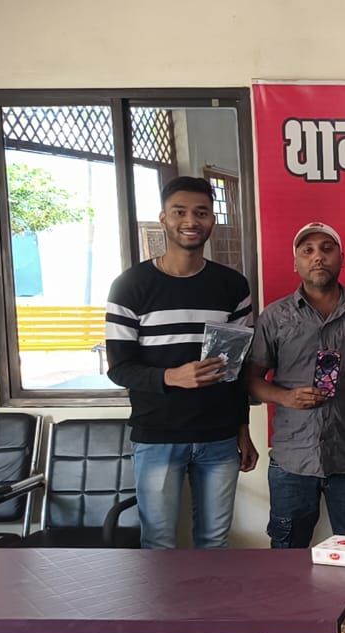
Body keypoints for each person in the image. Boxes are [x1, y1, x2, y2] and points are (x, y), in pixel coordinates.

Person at [105, 176, 257, 549]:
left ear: (212, 220)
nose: (191, 221)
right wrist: (172, 376)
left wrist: (242, 429)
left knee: (214, 542)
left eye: (201, 212)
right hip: (157, 436)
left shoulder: (232, 286)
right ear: (164, 218)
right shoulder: (130, 286)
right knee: (158, 543)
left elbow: (235, 371)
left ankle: (209, 596)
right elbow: (119, 368)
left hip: (219, 437)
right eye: (180, 212)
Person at [246, 222, 345, 548]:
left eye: (327, 249)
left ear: (342, 258)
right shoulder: (275, 317)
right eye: (307, 251)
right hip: (292, 460)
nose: (318, 257)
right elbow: (251, 381)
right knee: (286, 554)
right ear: (295, 262)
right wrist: (286, 397)